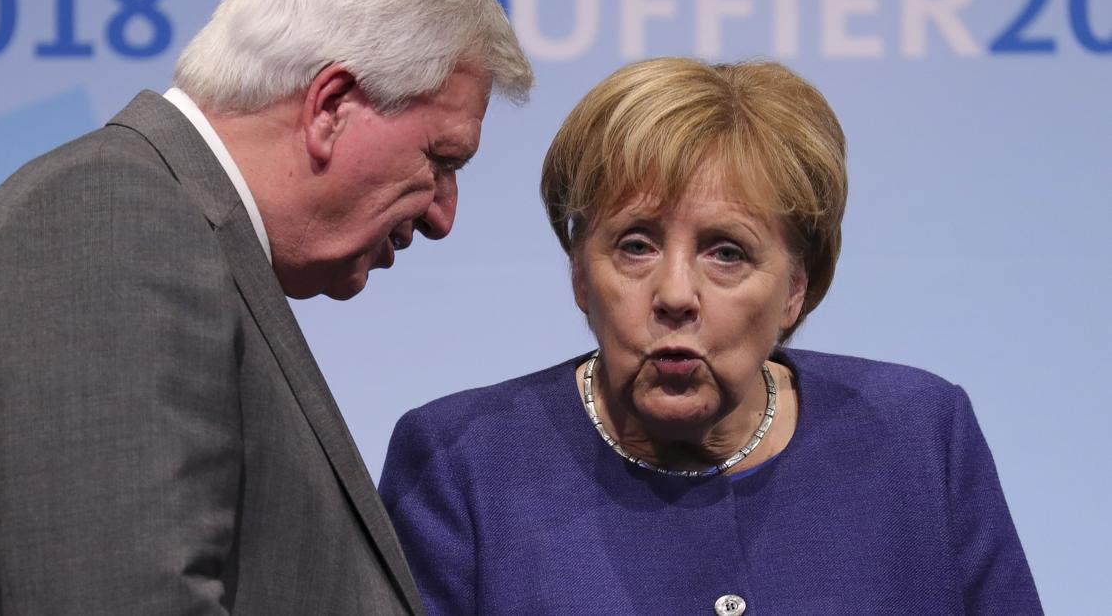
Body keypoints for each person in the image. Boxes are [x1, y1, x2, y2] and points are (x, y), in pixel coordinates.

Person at [0, 0, 531, 613]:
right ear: (331, 106)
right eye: (439, 161)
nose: (444, 216)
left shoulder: (171, 230)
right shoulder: (112, 217)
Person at [378, 58, 1041, 614]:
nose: (673, 295)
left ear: (795, 288)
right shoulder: (462, 464)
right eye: (635, 246)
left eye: (726, 253)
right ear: (581, 274)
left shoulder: (919, 436)